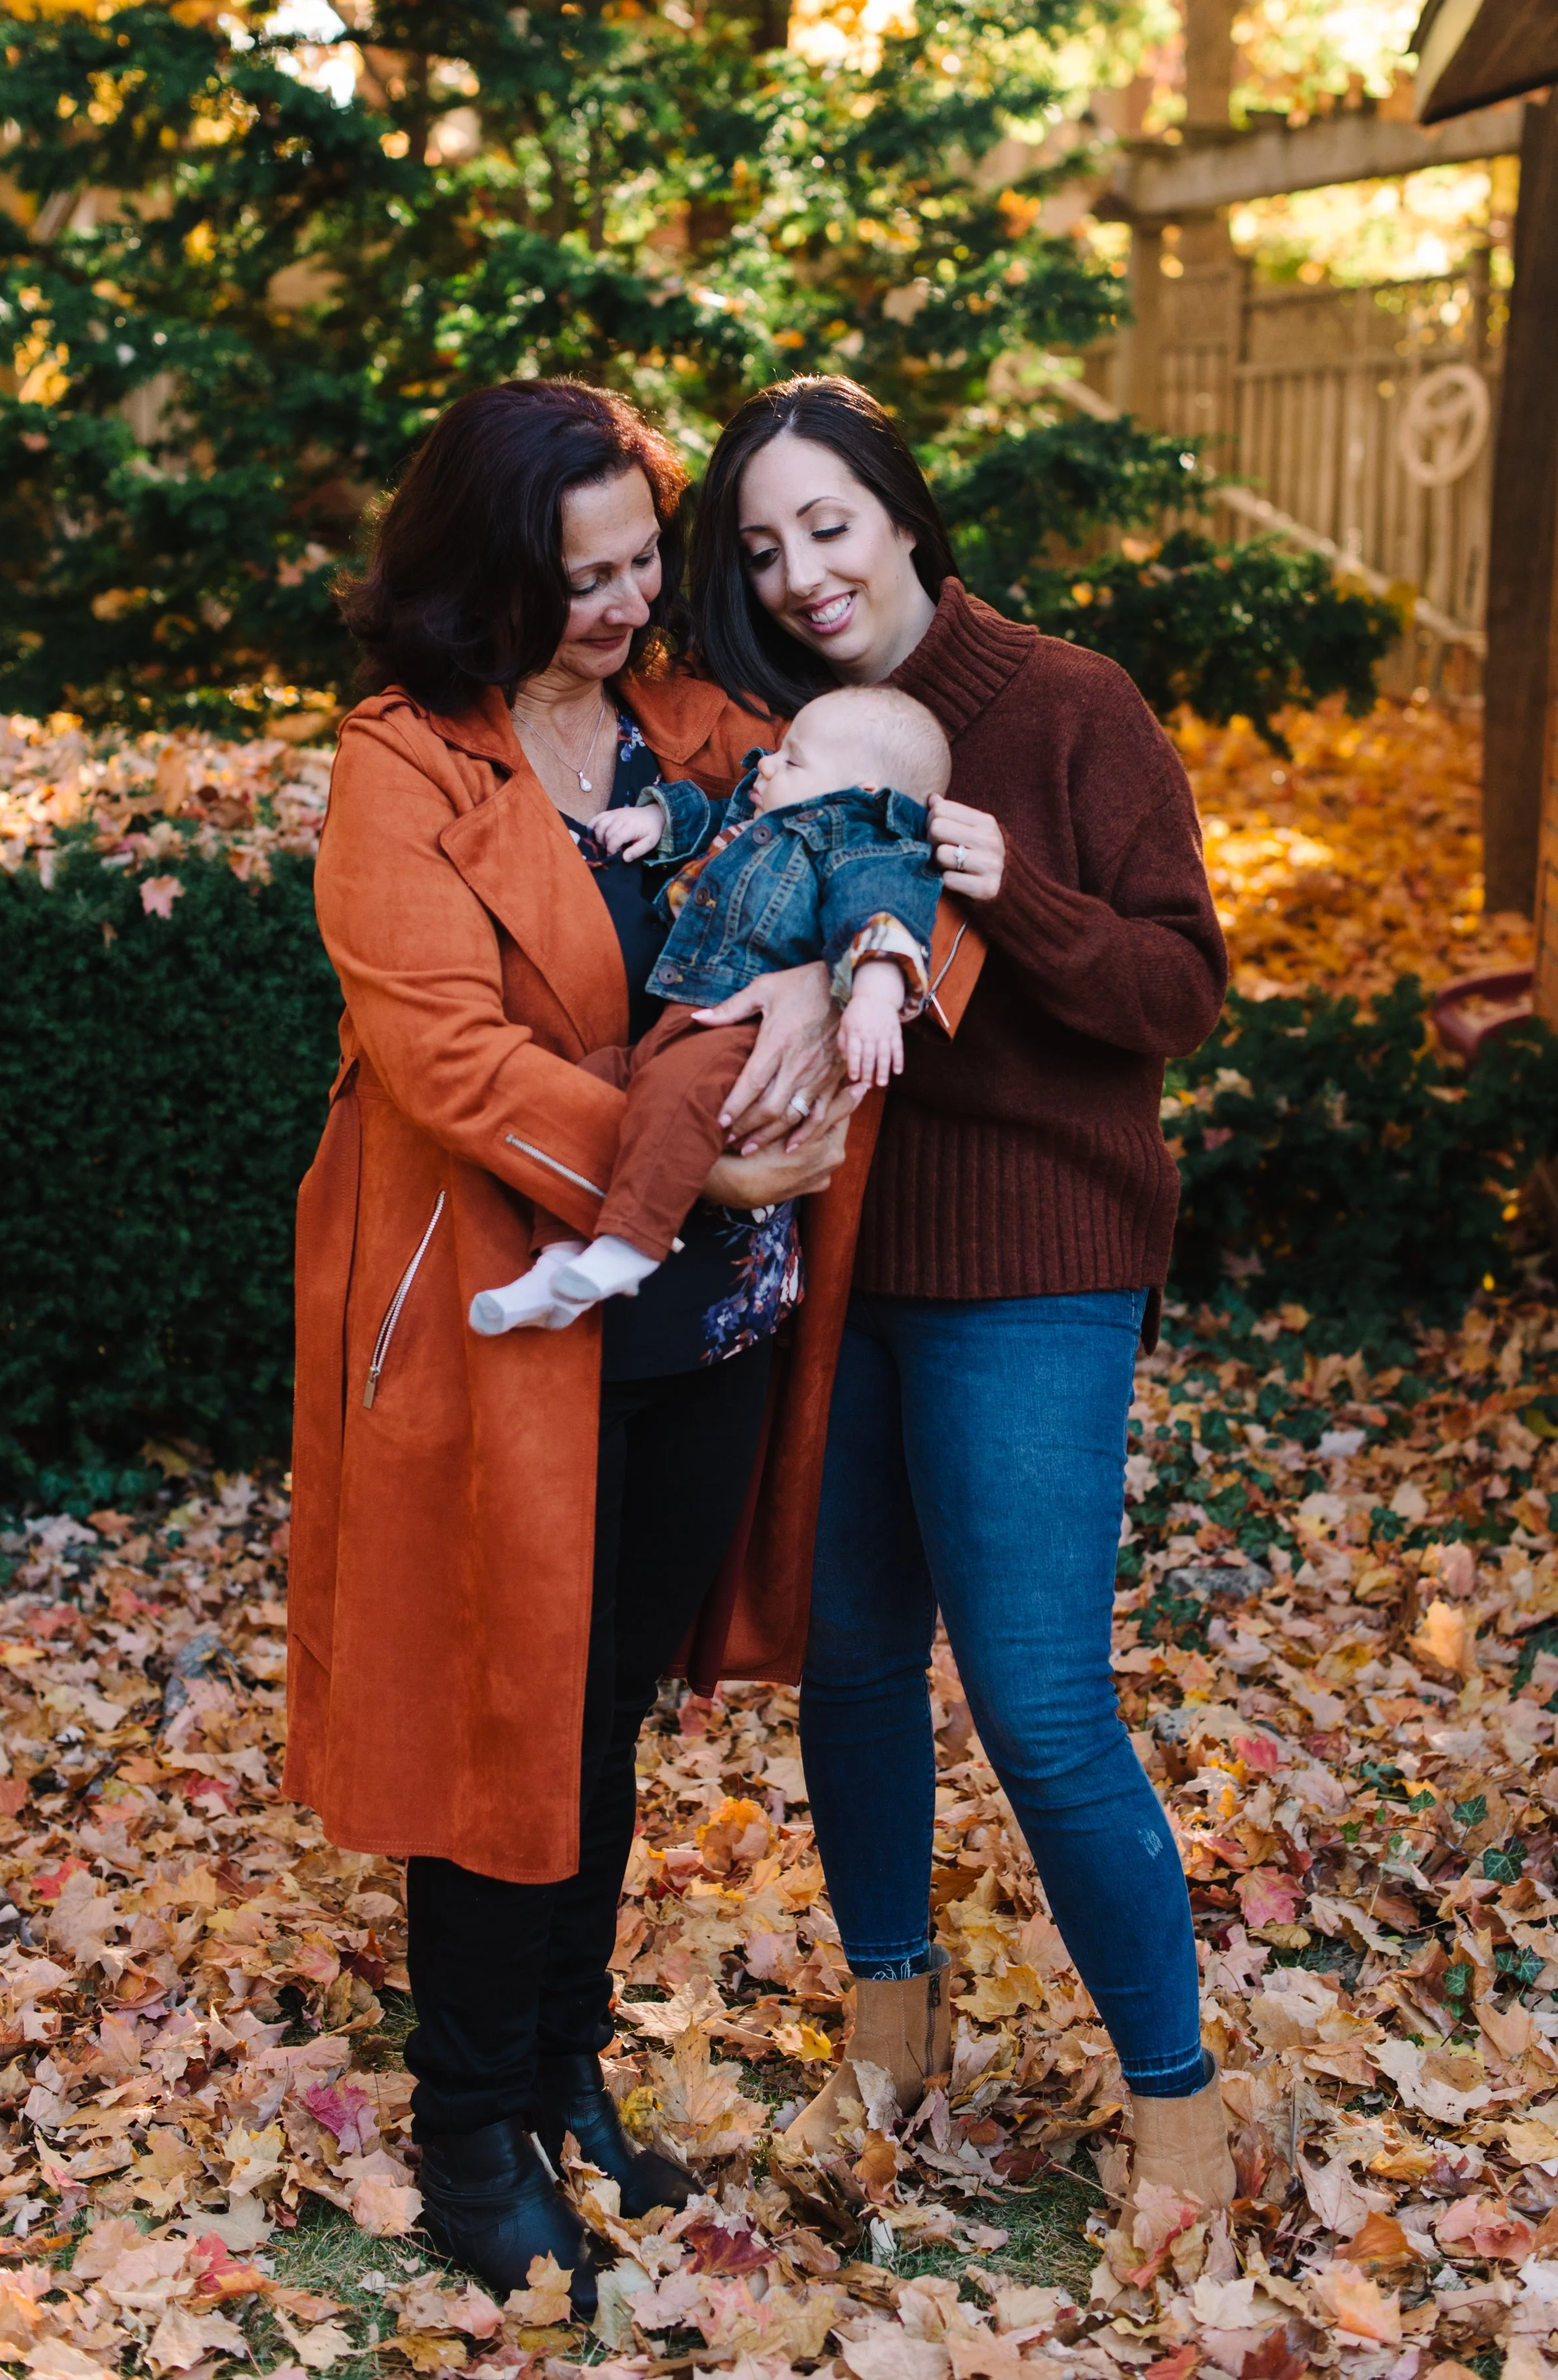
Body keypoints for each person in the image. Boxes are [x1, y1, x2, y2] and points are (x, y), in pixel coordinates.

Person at [283, 379, 875, 2313]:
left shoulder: (697, 724)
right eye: (584, 576)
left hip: (694, 1327)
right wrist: (683, 1157)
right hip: (496, 1309)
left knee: (599, 1701)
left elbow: (853, 851)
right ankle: (468, 2125)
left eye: (641, 561)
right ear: (485, 574)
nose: (627, 603)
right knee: (493, 1705)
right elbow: (439, 1052)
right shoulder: (406, 764)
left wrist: (814, 1034)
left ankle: (557, 2068)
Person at [687, 376, 1235, 2214]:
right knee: (845, 1665)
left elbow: (1181, 989)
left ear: (906, 516)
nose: (801, 573)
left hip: (1037, 1275)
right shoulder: (788, 739)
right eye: (764, 548)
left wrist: (1039, 905)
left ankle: (1179, 2114)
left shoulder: (1069, 706)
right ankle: (890, 2038)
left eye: (827, 526)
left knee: (1035, 1699)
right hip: (842, 1268)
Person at [469, 684, 950, 1335]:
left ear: (858, 794)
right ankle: (558, 1254)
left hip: (742, 1033)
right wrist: (657, 822)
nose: (768, 765)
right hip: (682, 1022)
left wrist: (872, 995)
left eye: (794, 762)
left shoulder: (857, 843)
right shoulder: (761, 819)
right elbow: (710, 815)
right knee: (585, 1088)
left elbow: (881, 912)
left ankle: (631, 1246)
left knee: (672, 1093)